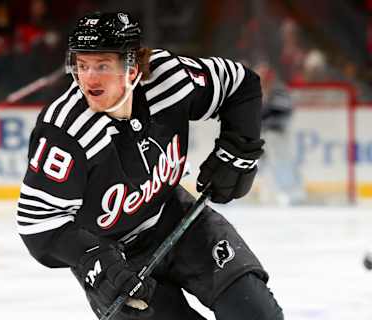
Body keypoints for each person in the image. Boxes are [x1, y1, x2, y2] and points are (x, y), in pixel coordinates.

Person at [17, 12, 283, 320]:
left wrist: (238, 153)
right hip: (115, 260)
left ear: (132, 67)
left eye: (102, 65)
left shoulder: (168, 78)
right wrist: (92, 258)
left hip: (181, 223)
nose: (89, 78)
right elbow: (37, 224)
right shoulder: (66, 132)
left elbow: (240, 84)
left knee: (256, 314)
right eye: (82, 64)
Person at [253, 60, 305, 206]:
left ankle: (293, 193)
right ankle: (268, 193)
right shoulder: (256, 92)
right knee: (260, 164)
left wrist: (261, 118)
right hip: (262, 135)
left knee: (283, 162)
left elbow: (280, 112)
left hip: (277, 135)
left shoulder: (279, 91)